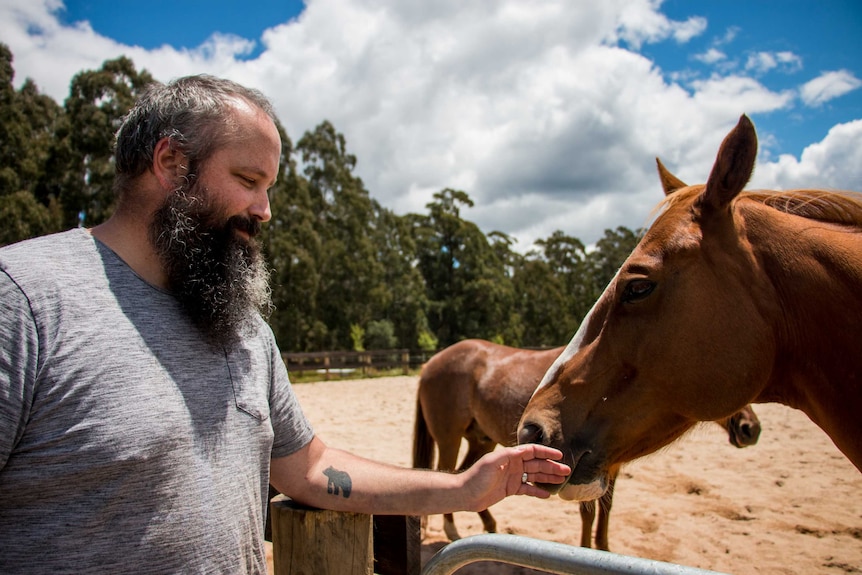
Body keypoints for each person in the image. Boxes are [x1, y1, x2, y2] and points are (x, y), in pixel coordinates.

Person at [0, 74, 570, 574]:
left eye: (269, 188)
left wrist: (464, 488)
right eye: (249, 180)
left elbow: (310, 468)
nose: (265, 210)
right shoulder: (24, 302)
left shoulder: (244, 332)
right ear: (172, 164)